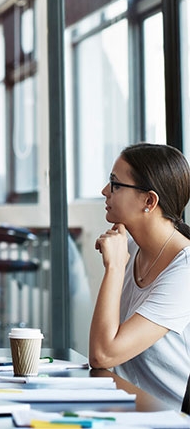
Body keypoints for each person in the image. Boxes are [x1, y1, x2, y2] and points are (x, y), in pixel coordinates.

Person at [90, 142, 190, 409]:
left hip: (171, 418)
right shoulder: (131, 248)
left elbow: (102, 355)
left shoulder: (185, 271)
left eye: (115, 184)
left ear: (149, 201)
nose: (105, 191)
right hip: (129, 408)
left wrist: (114, 267)